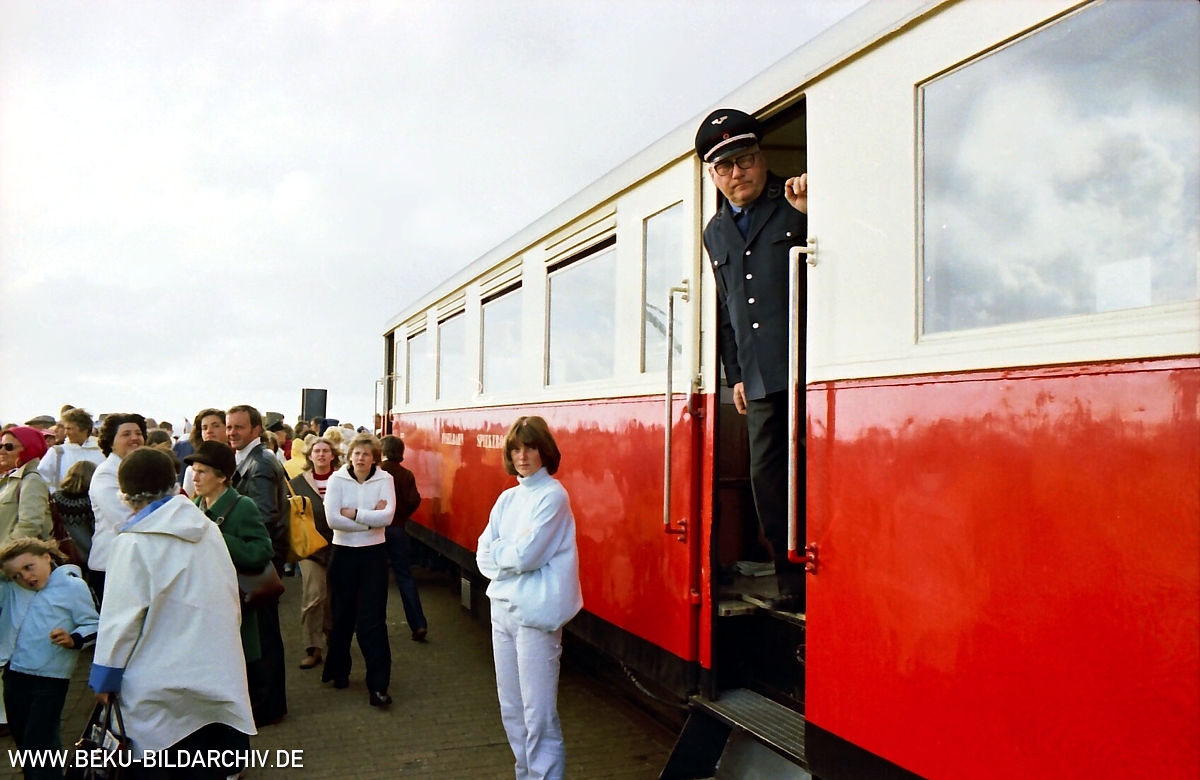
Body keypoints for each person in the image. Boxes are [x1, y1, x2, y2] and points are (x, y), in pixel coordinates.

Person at [696, 108, 809, 613]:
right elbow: (726, 308)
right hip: (760, 377)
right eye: (724, 166)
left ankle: (822, 575)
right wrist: (736, 375)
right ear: (713, 175)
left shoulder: (796, 200)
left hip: (809, 367)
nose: (736, 173)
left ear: (761, 159)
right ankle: (792, 583)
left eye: (744, 160)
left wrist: (811, 216)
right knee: (767, 480)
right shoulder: (715, 232)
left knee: (814, 470)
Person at [88, 447, 255, 773]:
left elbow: (119, 621)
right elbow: (228, 592)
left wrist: (104, 677)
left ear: (126, 496)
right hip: (214, 670)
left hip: (155, 684)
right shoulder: (207, 528)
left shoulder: (132, 543)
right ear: (174, 484)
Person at [476, 416, 583, 780]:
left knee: (539, 713)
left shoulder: (553, 496)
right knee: (512, 708)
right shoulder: (508, 498)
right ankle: (526, 774)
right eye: (516, 449)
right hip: (502, 610)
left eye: (530, 448)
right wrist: (508, 554)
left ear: (544, 451)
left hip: (535, 617)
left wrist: (503, 554)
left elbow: (527, 556)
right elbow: (482, 554)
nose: (522, 456)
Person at [0, 537, 98, 780]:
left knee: (41, 740)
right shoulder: (12, 590)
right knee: (24, 740)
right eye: (16, 575)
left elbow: (94, 624)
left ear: (47, 557)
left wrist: (73, 639)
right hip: (14, 675)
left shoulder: (72, 587)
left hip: (50, 678)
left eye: (29, 567)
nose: (25, 577)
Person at [185, 441, 274, 675]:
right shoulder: (195, 505)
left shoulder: (243, 506)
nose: (195, 477)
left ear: (222, 477)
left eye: (202, 471)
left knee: (240, 668)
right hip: (203, 601)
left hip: (234, 601)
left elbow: (262, 550)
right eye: (194, 470)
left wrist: (217, 537)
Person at [226, 404, 289, 726]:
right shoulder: (251, 458)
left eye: (239, 427)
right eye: (229, 427)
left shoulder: (260, 462)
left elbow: (265, 516)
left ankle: (268, 705)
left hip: (261, 559)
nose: (232, 432)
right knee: (261, 632)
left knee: (263, 634)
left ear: (255, 429)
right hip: (261, 556)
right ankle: (265, 702)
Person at [321, 433, 395, 707]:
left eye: (366, 454)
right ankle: (339, 671)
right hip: (343, 554)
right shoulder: (336, 480)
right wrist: (371, 519)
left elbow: (388, 516)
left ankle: (378, 686)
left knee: (372, 621)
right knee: (341, 616)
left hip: (374, 555)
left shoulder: (385, 479)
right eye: (357, 453)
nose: (361, 458)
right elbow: (333, 520)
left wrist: (353, 513)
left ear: (374, 458)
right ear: (350, 456)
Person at [87, 413, 146, 600]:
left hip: (137, 564)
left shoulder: (143, 470)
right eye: (126, 434)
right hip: (110, 566)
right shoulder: (106, 474)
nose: (134, 438)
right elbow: (126, 520)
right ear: (111, 442)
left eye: (138, 433)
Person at [289, 437, 336, 670]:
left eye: (325, 450)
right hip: (310, 548)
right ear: (309, 455)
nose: (321, 455)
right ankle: (312, 647)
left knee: (334, 598)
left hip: (340, 546)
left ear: (333, 455)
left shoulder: (342, 480)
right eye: (317, 451)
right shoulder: (297, 483)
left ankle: (333, 639)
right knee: (314, 595)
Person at [379, 435, 427, 642]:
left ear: (382, 450)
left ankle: (376, 623)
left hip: (377, 530)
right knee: (405, 577)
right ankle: (418, 624)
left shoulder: (377, 472)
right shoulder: (406, 474)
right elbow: (414, 499)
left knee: (376, 578)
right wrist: (403, 515)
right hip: (398, 529)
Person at [0, 427, 52, 543]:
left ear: (29, 448)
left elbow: (30, 525)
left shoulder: (32, 480)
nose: (2, 451)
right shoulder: (10, 478)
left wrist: (8, 550)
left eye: (9, 447)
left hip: (14, 552)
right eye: (0, 446)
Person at [36, 408, 105, 492]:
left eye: (69, 429)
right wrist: (56, 494)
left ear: (84, 429)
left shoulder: (101, 452)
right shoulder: (57, 452)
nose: (66, 433)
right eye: (65, 428)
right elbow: (41, 478)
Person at [51, 461, 98, 580]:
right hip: (88, 556)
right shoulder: (91, 502)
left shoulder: (56, 498)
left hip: (61, 553)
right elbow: (96, 530)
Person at [181, 408, 228, 497]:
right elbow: (187, 500)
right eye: (204, 428)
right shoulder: (192, 469)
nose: (209, 431)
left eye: (216, 426)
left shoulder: (239, 460)